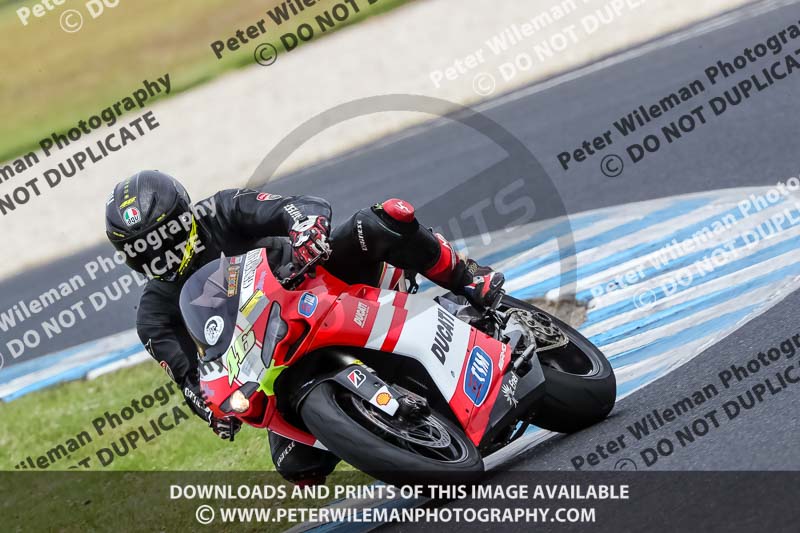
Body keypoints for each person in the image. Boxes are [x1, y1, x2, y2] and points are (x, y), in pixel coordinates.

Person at [105, 170, 504, 484]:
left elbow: (295, 207)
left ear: (185, 217)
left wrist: (305, 230)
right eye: (143, 249)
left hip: (319, 284)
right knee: (297, 464)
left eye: (163, 239)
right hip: (268, 361)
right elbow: (191, 379)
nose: (158, 253)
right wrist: (214, 410)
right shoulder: (153, 317)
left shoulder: (222, 210)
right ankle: (395, 434)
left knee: (375, 222)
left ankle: (466, 276)